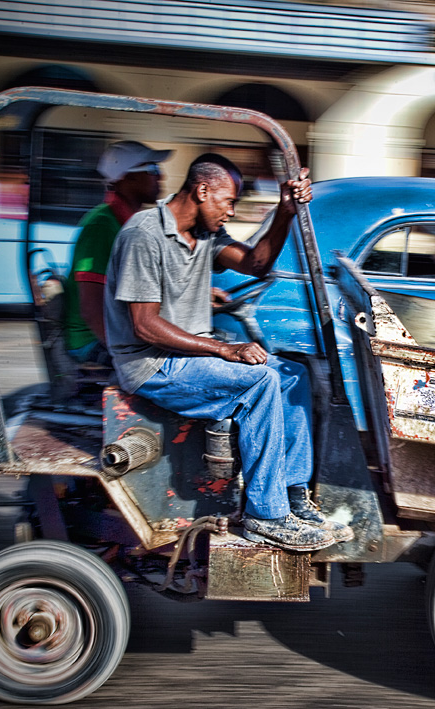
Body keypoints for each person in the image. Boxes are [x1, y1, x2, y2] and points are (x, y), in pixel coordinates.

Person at [103, 153, 352, 553]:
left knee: (294, 375)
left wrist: (285, 212)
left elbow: (256, 263)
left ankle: (291, 495)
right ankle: (265, 514)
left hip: (189, 356)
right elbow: (145, 325)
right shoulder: (143, 235)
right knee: (261, 381)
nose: (231, 212)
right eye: (229, 201)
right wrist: (224, 348)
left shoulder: (205, 235)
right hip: (152, 363)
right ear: (203, 191)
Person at [63, 140, 173, 366]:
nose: (160, 176)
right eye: (152, 169)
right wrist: (123, 353)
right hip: (93, 340)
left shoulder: (130, 223)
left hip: (121, 330)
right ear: (128, 177)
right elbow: (91, 307)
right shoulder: (102, 226)